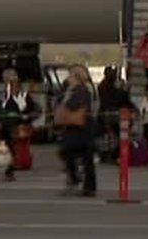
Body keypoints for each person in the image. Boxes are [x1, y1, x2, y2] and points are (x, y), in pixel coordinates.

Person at [58, 64, 96, 197]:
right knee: (85, 156)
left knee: (69, 151)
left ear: (76, 77)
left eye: (70, 75)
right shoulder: (73, 90)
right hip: (77, 127)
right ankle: (86, 185)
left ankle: (79, 182)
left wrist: (65, 104)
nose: (68, 78)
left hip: (79, 127)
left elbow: (73, 107)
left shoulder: (81, 91)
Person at [2, 72, 39, 181]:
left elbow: (30, 108)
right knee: (12, 147)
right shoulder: (6, 95)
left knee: (20, 146)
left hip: (20, 124)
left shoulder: (23, 95)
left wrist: (25, 117)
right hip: (9, 124)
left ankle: (19, 164)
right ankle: (13, 167)